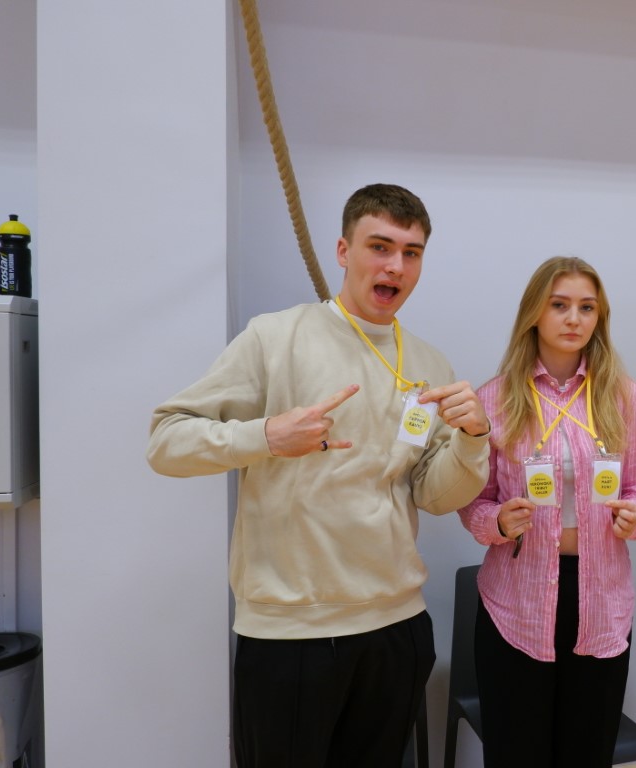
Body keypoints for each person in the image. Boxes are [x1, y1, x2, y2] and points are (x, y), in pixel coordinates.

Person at [146, 184, 491, 768]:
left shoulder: (429, 363)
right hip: (291, 633)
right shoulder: (275, 337)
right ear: (343, 250)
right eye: (380, 246)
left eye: (411, 253)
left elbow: (434, 496)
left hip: (397, 626)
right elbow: (166, 442)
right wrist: (266, 437)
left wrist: (473, 440)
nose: (396, 265)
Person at [458, 256, 636, 768]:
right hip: (516, 602)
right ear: (535, 313)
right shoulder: (495, 398)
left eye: (587, 307)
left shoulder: (623, 396)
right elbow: (472, 501)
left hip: (600, 602)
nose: (574, 319)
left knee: (586, 753)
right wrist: (497, 522)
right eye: (560, 305)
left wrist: (635, 516)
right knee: (517, 754)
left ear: (599, 317)